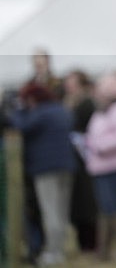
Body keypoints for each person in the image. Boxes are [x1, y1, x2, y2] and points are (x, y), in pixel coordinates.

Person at [10, 81, 76, 266]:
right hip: (66, 166)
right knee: (61, 211)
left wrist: (19, 109)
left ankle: (54, 253)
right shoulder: (60, 110)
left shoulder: (39, 113)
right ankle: (60, 249)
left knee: (50, 212)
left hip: (45, 169)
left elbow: (19, 125)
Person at [84, 72, 116, 261]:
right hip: (99, 168)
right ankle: (105, 251)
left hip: (115, 168)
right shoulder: (101, 112)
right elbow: (92, 134)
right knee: (105, 209)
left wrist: (99, 145)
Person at [63, 70, 98, 253]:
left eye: (73, 83)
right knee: (76, 201)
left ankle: (90, 242)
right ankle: (81, 241)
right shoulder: (69, 102)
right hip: (74, 160)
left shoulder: (87, 103)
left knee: (87, 201)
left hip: (87, 159)